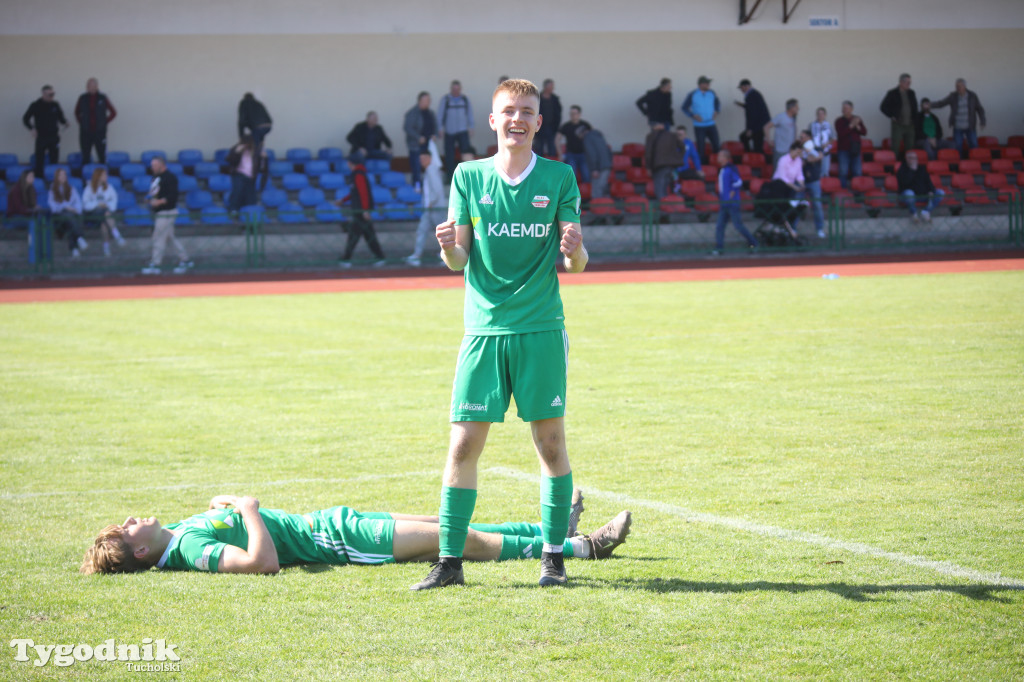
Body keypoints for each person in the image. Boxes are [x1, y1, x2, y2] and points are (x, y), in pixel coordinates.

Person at [415, 78, 590, 590]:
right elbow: (458, 261)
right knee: (464, 445)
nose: (517, 119)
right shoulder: (468, 176)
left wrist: (576, 246)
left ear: (539, 122)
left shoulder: (559, 178)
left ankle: (553, 560)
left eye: (527, 111)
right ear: (492, 120)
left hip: (539, 328)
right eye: (508, 110)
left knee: (551, 444)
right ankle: (449, 563)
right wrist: (447, 247)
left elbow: (575, 264)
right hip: (484, 331)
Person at [81, 492, 631, 576]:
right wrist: (247, 508)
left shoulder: (181, 532)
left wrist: (225, 502)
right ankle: (584, 547)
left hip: (333, 523)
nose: (133, 521)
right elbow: (261, 562)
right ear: (143, 552)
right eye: (129, 531)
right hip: (337, 542)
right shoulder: (190, 551)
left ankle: (555, 531)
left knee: (450, 526)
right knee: (454, 541)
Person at [142, 157, 192, 276]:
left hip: (167, 212)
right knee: (169, 237)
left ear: (161, 165)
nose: (152, 167)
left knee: (158, 237)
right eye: (152, 165)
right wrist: (149, 199)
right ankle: (185, 260)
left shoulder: (170, 177)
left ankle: (156, 264)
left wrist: (159, 202)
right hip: (159, 212)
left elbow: (172, 196)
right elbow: (154, 193)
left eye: (155, 165)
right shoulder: (155, 178)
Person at [335, 156, 385, 267]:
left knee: (354, 235)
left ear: (350, 163)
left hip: (360, 211)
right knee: (368, 234)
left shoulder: (358, 175)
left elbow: (363, 193)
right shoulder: (358, 174)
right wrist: (343, 200)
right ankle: (379, 257)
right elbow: (355, 192)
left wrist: (365, 210)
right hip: (360, 210)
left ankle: (346, 259)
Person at [406, 140, 446, 267]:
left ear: (430, 158)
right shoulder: (429, 170)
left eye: (424, 158)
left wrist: (431, 203)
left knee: (442, 234)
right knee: (422, 231)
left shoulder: (432, 170)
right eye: (420, 159)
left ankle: (446, 257)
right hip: (430, 208)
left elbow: (438, 190)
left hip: (435, 208)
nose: (421, 161)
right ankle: (417, 255)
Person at [711, 150, 758, 256]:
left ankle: (753, 243)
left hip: (732, 203)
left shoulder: (730, 169)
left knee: (738, 225)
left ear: (725, 158)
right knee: (720, 226)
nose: (718, 158)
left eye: (720, 156)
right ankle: (719, 247)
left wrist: (732, 191)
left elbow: (738, 181)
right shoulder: (723, 170)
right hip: (724, 203)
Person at [930, 79, 987, 157]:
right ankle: (958, 164)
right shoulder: (953, 96)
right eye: (956, 86)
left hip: (970, 126)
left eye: (959, 86)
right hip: (957, 127)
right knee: (958, 146)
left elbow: (980, 109)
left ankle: (975, 164)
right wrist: (930, 105)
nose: (957, 88)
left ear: (964, 86)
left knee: (973, 144)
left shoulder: (972, 96)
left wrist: (982, 121)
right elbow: (941, 103)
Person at [23, 85, 69, 178]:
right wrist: (32, 128)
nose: (52, 96)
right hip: (41, 137)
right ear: (44, 94)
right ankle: (39, 178)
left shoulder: (55, 105)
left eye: (53, 94)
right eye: (50, 94)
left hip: (54, 136)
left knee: (54, 159)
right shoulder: (35, 105)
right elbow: (25, 119)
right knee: (39, 159)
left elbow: (61, 118)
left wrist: (65, 122)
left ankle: (53, 179)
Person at [82, 167, 125, 256]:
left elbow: (114, 200)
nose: (106, 176)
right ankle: (116, 233)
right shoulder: (89, 188)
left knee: (104, 223)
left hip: (105, 214)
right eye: (104, 175)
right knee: (105, 213)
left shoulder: (109, 187)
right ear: (98, 176)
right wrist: (98, 204)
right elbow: (85, 204)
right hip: (92, 214)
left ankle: (106, 246)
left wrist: (107, 205)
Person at [74, 78, 117, 165]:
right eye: (89, 86)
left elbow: (113, 112)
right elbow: (77, 112)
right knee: (85, 156)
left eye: (93, 86)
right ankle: (86, 176)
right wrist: (82, 123)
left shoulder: (103, 98)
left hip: (100, 132)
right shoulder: (82, 98)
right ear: (87, 87)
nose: (91, 87)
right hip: (85, 132)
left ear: (97, 86)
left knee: (102, 156)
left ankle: (103, 176)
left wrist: (104, 122)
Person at [47, 167, 89, 258]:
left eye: (64, 175)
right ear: (56, 177)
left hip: (71, 215)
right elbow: (53, 207)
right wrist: (65, 207)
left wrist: (75, 209)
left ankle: (74, 248)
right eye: (60, 175)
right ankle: (79, 237)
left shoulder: (71, 188)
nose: (63, 177)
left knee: (72, 219)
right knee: (68, 215)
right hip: (58, 216)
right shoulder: (52, 189)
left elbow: (77, 202)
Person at [895, 151, 944, 223]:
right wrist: (912, 170)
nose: (913, 160)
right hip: (908, 196)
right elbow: (904, 183)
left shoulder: (922, 169)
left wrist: (931, 191)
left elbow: (928, 182)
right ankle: (914, 214)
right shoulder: (902, 170)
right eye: (911, 158)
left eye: (915, 158)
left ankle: (926, 212)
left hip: (923, 195)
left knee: (940, 192)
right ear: (906, 159)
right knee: (909, 193)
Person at [403, 91, 438, 190]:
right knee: (416, 166)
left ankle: (429, 185)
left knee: (429, 166)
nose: (428, 102)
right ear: (420, 101)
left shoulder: (430, 113)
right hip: (416, 145)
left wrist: (434, 135)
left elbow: (435, 125)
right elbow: (408, 128)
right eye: (426, 100)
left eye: (429, 100)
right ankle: (417, 185)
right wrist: (418, 137)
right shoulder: (412, 113)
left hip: (428, 145)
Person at [437, 80, 474, 174]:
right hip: (449, 132)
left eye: (458, 89)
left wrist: (471, 127)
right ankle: (450, 176)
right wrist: (440, 128)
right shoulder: (445, 100)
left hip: (463, 131)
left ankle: (466, 175)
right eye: (454, 89)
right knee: (449, 155)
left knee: (465, 154)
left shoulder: (465, 100)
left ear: (460, 89)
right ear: (451, 89)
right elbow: (440, 115)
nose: (456, 91)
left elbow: (470, 114)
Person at [681, 76, 721, 161]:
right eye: (707, 83)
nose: (708, 85)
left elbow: (717, 103)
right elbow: (684, 107)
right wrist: (692, 115)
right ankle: (702, 167)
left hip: (711, 124)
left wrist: (716, 111)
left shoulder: (712, 93)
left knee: (716, 145)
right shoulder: (692, 94)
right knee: (701, 147)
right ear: (701, 84)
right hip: (699, 126)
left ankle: (717, 165)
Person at [880, 74, 918, 161]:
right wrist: (891, 115)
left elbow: (915, 107)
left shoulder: (912, 93)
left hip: (910, 124)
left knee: (910, 146)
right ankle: (894, 166)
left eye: (910, 82)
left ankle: (908, 166)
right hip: (898, 124)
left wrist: (915, 120)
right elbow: (883, 107)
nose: (909, 84)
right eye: (907, 82)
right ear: (901, 82)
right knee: (895, 146)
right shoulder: (892, 93)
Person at [225, 135, 268, 213]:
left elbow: (263, 168)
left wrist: (264, 158)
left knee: (251, 196)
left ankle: (249, 214)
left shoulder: (257, 151)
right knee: (237, 192)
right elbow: (230, 161)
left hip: (251, 176)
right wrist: (236, 152)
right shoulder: (237, 148)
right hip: (238, 174)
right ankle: (233, 210)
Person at [644, 123, 685, 200]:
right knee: (666, 188)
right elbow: (682, 147)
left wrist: (648, 167)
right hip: (672, 166)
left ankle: (663, 209)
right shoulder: (672, 135)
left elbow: (648, 154)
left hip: (659, 166)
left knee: (659, 190)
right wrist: (678, 158)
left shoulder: (651, 136)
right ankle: (668, 208)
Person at [773, 142, 806, 232]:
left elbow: (799, 174)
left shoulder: (798, 160)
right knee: (782, 208)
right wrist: (795, 187)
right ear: (791, 150)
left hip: (790, 187)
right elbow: (783, 177)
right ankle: (783, 227)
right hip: (780, 187)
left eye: (800, 153)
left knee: (798, 203)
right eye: (797, 152)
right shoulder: (783, 160)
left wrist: (802, 184)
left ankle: (792, 227)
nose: (798, 155)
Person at [799, 130, 826, 238]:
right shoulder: (799, 148)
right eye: (800, 137)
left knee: (817, 205)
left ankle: (819, 229)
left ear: (809, 137)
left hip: (814, 180)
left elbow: (820, 156)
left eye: (803, 137)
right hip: (801, 181)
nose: (801, 139)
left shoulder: (816, 147)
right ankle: (792, 229)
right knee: (796, 204)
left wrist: (810, 158)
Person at [834, 101, 867, 189]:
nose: (844, 110)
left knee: (857, 172)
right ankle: (843, 191)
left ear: (852, 109)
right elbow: (841, 134)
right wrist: (851, 126)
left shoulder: (857, 119)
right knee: (843, 171)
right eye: (843, 108)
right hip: (843, 150)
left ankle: (857, 191)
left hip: (856, 149)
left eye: (846, 108)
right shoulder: (839, 121)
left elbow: (864, 132)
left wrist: (857, 126)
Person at [735, 79, 770, 155]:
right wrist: (743, 105)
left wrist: (750, 129)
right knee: (755, 143)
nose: (741, 90)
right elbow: (752, 108)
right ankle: (752, 156)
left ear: (746, 86)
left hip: (758, 125)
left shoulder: (751, 95)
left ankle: (751, 157)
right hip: (761, 124)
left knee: (756, 145)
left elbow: (752, 113)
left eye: (741, 87)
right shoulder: (754, 94)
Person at [557, 105, 592, 181]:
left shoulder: (585, 125)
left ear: (579, 114)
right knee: (571, 177)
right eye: (571, 114)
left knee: (586, 176)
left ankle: (585, 192)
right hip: (571, 155)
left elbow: (592, 138)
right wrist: (560, 154)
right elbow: (557, 139)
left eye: (574, 113)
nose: (572, 115)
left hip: (584, 154)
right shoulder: (566, 126)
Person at [237, 93, 272, 158]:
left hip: (257, 126)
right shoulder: (258, 103)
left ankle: (256, 161)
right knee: (259, 140)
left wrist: (241, 135)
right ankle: (262, 153)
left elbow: (241, 120)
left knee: (256, 146)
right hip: (268, 125)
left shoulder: (244, 103)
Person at [765, 99, 799, 166]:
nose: (798, 108)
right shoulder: (781, 117)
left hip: (790, 151)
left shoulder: (793, 119)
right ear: (791, 108)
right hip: (780, 151)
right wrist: (769, 141)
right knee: (778, 172)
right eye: (796, 107)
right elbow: (766, 127)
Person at [533, 79, 562, 158]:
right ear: (546, 87)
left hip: (552, 127)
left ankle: (551, 168)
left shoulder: (555, 99)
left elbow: (558, 112)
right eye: (551, 86)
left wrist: (557, 126)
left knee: (552, 149)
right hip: (539, 127)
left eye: (553, 87)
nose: (552, 88)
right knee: (539, 149)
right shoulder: (537, 98)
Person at [581, 127, 612, 199]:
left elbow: (591, 154)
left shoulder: (587, 138)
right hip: (606, 165)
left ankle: (598, 208)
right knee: (603, 187)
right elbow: (608, 151)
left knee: (597, 189)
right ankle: (606, 207)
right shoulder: (599, 136)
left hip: (597, 168)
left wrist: (594, 169)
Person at [810, 107, 835, 180]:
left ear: (825, 115)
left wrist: (827, 144)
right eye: (818, 114)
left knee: (825, 171)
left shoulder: (829, 125)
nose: (820, 115)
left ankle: (825, 187)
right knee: (816, 171)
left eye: (822, 114)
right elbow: (809, 137)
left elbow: (833, 138)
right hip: (815, 152)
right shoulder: (812, 125)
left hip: (825, 152)